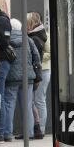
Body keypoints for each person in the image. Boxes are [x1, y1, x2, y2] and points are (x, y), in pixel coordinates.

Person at [0, 17, 40, 143]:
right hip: (28, 77)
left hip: (11, 78)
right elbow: (36, 57)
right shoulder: (28, 40)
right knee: (27, 105)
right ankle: (29, 133)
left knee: (8, 104)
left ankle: (7, 133)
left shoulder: (7, 40)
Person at [26, 11, 49, 140]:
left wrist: (39, 61)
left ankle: (40, 128)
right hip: (41, 70)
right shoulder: (39, 35)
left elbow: (45, 54)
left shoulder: (35, 37)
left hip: (42, 71)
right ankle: (38, 128)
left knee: (38, 100)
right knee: (37, 100)